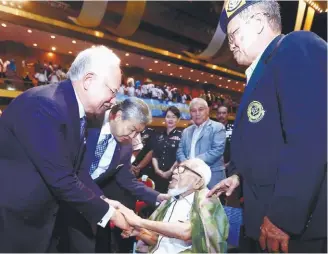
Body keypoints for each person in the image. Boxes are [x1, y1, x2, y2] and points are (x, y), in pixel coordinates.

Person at [208, 1, 327, 253]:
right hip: (263, 225)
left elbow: (310, 140)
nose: (230, 43)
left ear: (259, 24)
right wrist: (238, 177)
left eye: (234, 33)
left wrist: (283, 216)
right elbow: (269, 147)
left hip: (290, 232)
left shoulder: (296, 46)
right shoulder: (264, 70)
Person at [0, 45, 129, 252]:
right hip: (15, 222)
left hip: (42, 219)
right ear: (89, 80)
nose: (113, 101)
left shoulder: (74, 110)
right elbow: (61, 178)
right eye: (112, 91)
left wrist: (105, 200)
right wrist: (109, 214)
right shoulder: (44, 105)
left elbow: (76, 170)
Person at [60, 98, 170, 253]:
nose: (133, 136)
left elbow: (127, 179)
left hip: (87, 204)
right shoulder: (87, 125)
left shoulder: (125, 146)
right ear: (118, 116)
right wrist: (104, 200)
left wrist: (157, 197)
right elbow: (77, 170)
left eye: (138, 132)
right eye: (132, 129)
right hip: (59, 195)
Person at [120, 158, 229, 253]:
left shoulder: (207, 198)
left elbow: (187, 232)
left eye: (183, 169)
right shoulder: (170, 201)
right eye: (177, 167)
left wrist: (140, 221)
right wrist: (140, 232)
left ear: (198, 182)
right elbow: (158, 242)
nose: (175, 171)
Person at [176, 98, 226, 189]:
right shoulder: (186, 131)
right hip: (189, 178)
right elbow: (180, 151)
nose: (197, 113)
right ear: (190, 113)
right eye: (193, 111)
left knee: (211, 204)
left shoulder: (218, 127)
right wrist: (185, 163)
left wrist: (192, 163)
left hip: (212, 180)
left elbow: (216, 151)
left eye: (200, 109)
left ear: (207, 110)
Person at [152, 106, 182, 193]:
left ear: (178, 119)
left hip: (174, 176)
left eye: (174, 117)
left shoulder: (182, 136)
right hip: (157, 175)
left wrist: (170, 171)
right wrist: (157, 170)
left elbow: (180, 157)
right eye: (168, 116)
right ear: (165, 118)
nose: (170, 119)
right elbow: (154, 155)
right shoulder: (158, 135)